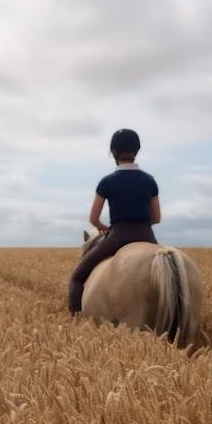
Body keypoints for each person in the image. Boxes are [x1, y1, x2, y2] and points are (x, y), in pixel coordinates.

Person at [68, 128, 161, 314]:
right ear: (137, 151)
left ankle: (75, 320)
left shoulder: (107, 182)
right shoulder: (149, 181)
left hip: (118, 236)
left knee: (77, 278)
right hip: (147, 236)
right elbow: (156, 218)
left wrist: (104, 228)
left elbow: (93, 218)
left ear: (114, 152)